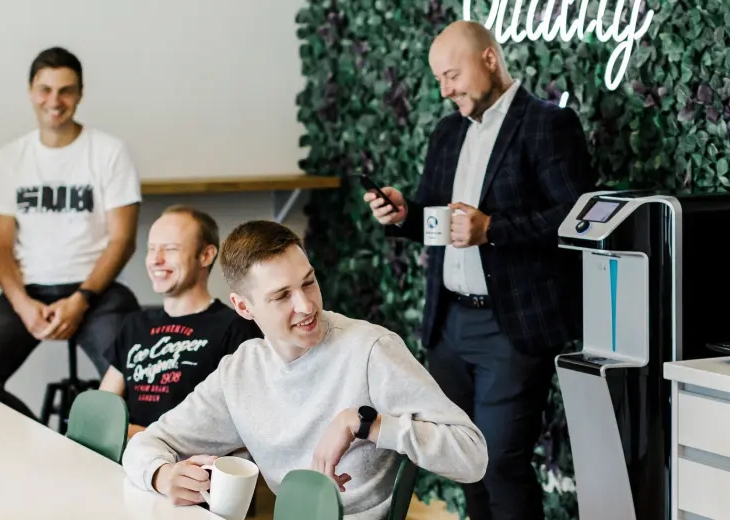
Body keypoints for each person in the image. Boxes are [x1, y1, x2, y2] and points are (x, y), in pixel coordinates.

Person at [363, 20, 595, 520]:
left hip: (511, 327)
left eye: (452, 75)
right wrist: (404, 214)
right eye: (440, 80)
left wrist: (495, 230)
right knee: (462, 458)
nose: (446, 90)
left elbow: (578, 214)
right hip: (449, 326)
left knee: (500, 461)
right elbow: (436, 220)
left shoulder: (547, 124)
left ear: (489, 59)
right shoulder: (448, 133)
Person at [121, 220, 488, 519]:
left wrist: (367, 424)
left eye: (309, 282)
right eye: (281, 296)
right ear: (243, 307)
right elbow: (149, 442)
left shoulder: (370, 350)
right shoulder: (241, 372)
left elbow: (472, 456)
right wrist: (162, 474)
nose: (306, 305)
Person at [0, 46, 142, 420]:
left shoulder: (108, 152)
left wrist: (82, 299)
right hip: (29, 292)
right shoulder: (11, 157)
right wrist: (21, 303)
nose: (55, 100)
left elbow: (123, 240)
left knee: (140, 385)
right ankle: (41, 445)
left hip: (96, 293)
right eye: (45, 89)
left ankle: (123, 462)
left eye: (66, 90)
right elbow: (0, 246)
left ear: (80, 94)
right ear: (30, 91)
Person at [99, 205, 262, 439]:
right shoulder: (134, 325)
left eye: (171, 249)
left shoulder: (236, 328)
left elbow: (247, 430)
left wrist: (140, 438)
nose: (156, 259)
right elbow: (102, 413)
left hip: (189, 468)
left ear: (206, 255)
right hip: (125, 461)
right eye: (151, 249)